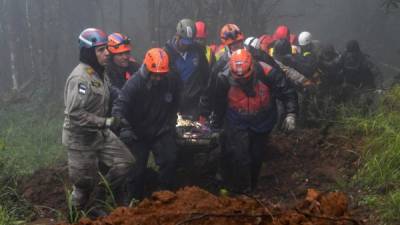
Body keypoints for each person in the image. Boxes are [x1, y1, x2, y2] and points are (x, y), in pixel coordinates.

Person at [62, 28, 135, 216]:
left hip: (99, 133)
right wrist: (106, 122)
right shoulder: (80, 78)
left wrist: (129, 102)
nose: (107, 53)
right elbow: (75, 114)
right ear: (89, 52)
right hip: (80, 139)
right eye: (100, 50)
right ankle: (73, 218)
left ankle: (98, 199)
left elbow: (113, 93)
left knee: (125, 162)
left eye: (106, 49)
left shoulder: (99, 72)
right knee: (83, 186)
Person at [204, 49, 298, 192]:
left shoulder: (267, 72)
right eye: (238, 79)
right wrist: (216, 126)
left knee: (257, 156)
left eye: (245, 78)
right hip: (237, 120)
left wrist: (291, 113)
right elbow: (219, 103)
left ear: (252, 68)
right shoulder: (223, 78)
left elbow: (287, 91)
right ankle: (242, 190)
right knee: (240, 155)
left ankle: (252, 186)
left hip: (263, 120)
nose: (242, 81)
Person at [112, 48, 181, 200]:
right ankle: (132, 203)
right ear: (147, 69)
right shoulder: (134, 83)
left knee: (170, 160)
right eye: (154, 75)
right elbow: (119, 107)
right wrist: (124, 128)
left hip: (160, 130)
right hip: (138, 133)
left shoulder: (170, 80)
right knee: (135, 172)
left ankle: (165, 197)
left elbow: (175, 102)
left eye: (160, 75)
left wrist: (170, 122)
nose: (157, 78)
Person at [164, 18, 210, 120]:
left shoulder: (198, 51)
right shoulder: (166, 54)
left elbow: (206, 78)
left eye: (189, 42)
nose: (186, 45)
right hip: (173, 107)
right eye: (184, 42)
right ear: (177, 36)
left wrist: (203, 106)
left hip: (195, 106)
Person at [106, 32, 140, 117]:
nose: (125, 57)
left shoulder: (135, 68)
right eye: (120, 54)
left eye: (127, 53)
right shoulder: (105, 73)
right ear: (111, 56)